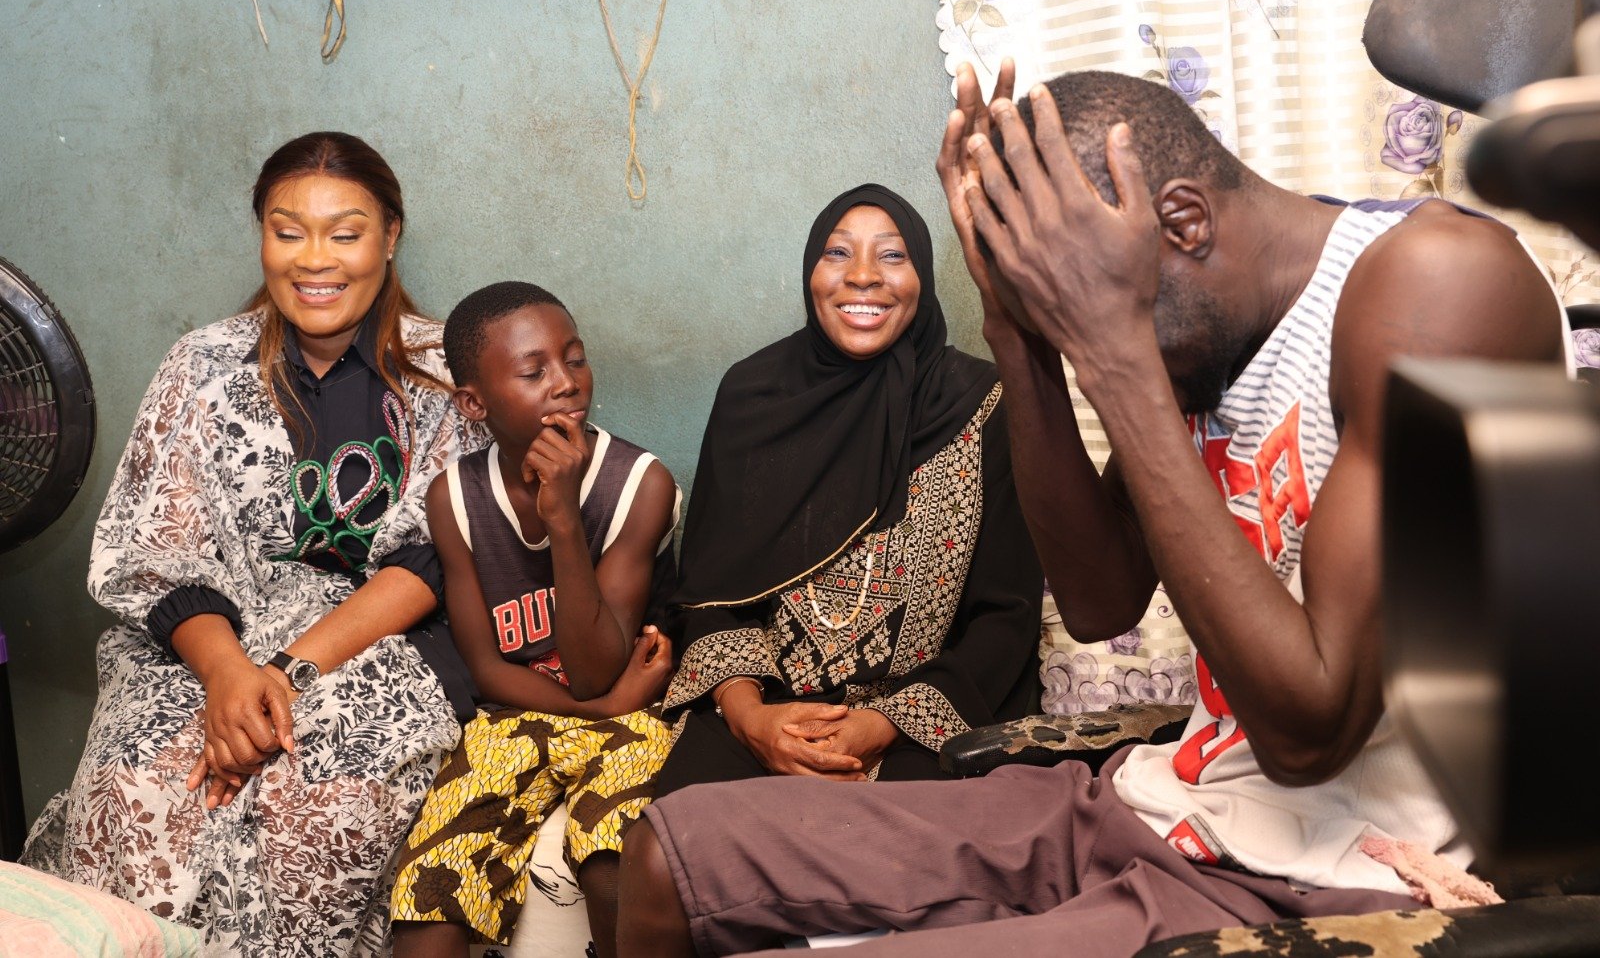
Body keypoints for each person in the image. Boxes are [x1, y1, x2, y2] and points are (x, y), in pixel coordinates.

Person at [614, 67, 1570, 958]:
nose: (1094, 357)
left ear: (1182, 223)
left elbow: (1308, 731)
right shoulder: (1215, 327)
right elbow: (1100, 600)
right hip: (1157, 806)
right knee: (668, 856)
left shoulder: (1439, 283)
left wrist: (1112, 347)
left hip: (1320, 875)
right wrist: (1013, 329)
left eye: (1086, 324)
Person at [22, 132, 486, 957]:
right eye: (288, 229)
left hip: (380, 645)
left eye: (345, 233)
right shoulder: (200, 366)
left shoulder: (444, 371)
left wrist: (284, 674)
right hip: (200, 646)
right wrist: (229, 672)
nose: (316, 259)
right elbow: (156, 554)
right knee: (140, 793)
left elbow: (434, 559)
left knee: (311, 805)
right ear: (260, 234)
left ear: (390, 235)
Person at [647, 184, 1041, 796]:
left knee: (901, 865)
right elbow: (706, 593)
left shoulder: (983, 404)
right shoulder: (754, 398)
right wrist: (751, 720)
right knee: (671, 850)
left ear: (924, 276)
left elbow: (1006, 613)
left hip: (918, 726)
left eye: (892, 255)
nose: (862, 277)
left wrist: (884, 723)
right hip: (765, 710)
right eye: (837, 254)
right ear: (811, 273)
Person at [389, 281, 680, 958]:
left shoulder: (640, 484)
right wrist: (605, 703)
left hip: (629, 722)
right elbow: (489, 671)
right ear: (473, 403)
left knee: (617, 859)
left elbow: (594, 667)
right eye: (534, 371)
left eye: (574, 359)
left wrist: (563, 520)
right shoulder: (455, 498)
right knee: (428, 895)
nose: (565, 384)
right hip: (523, 715)